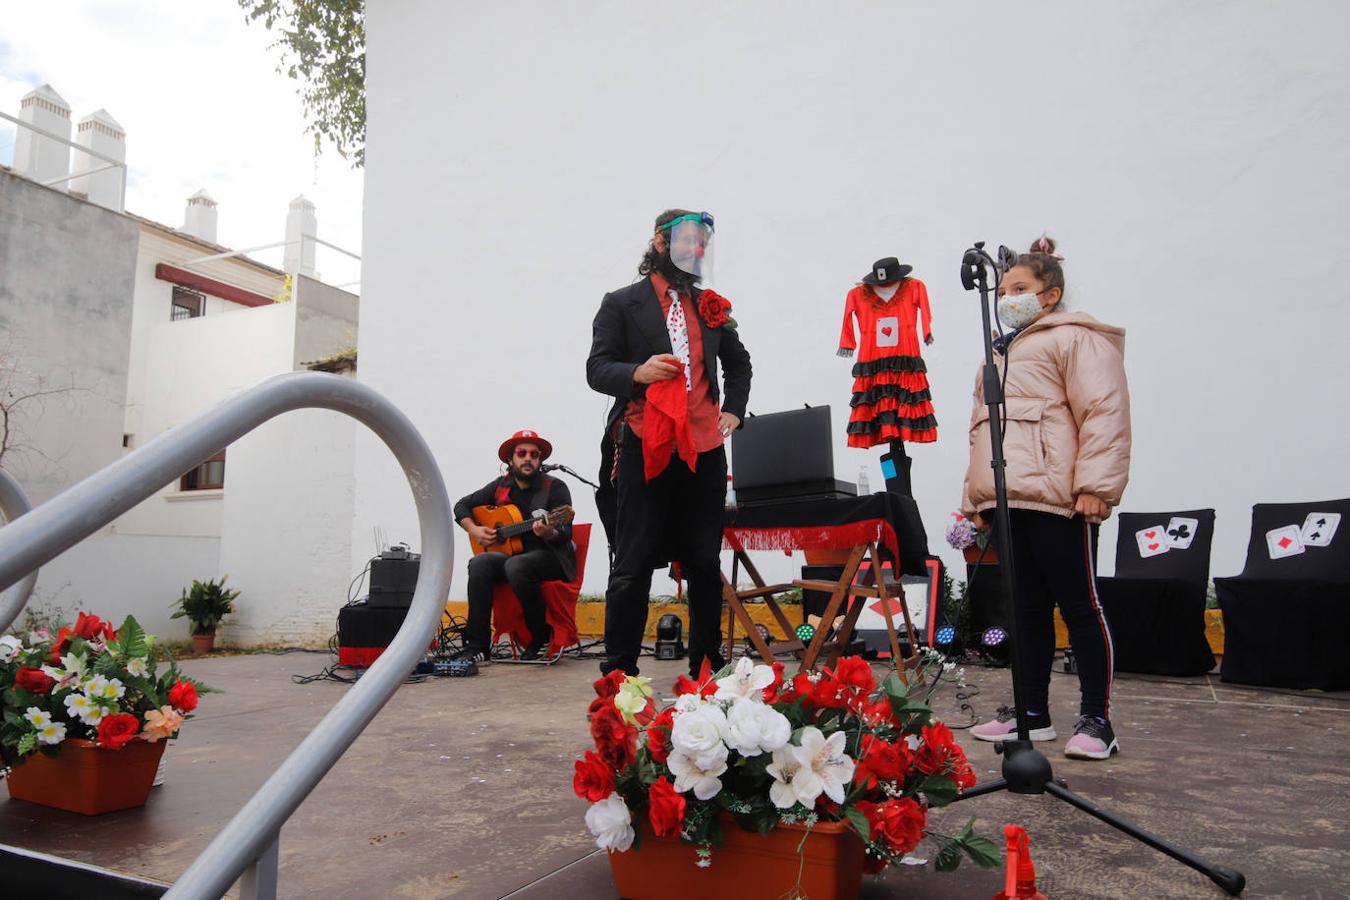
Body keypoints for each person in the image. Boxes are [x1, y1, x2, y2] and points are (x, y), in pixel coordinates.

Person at [961, 236, 1131, 760]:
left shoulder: (1076, 339)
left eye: (1020, 288)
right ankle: (1031, 713)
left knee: (1080, 605)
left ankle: (1097, 720)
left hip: (1060, 498)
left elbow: (1103, 410)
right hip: (1010, 500)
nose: (1007, 296)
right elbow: (983, 430)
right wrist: (976, 499)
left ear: (1049, 294)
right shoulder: (999, 352)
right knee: (1027, 610)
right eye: (1004, 289)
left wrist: (1095, 486)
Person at [587, 209, 752, 678]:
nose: (695, 250)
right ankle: (619, 671)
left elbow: (739, 365)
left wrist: (734, 410)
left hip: (703, 446)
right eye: (686, 241)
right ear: (660, 244)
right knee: (633, 561)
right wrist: (636, 373)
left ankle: (706, 667)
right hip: (645, 442)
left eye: (702, 243)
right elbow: (597, 369)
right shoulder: (621, 303)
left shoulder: (712, 306)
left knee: (703, 560)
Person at [453, 430, 576, 662]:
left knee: (517, 565)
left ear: (540, 459)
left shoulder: (554, 487)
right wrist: (475, 530)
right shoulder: (501, 486)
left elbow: (565, 532)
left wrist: (549, 531)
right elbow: (462, 506)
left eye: (534, 454)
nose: (528, 458)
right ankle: (477, 645)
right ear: (511, 459)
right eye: (521, 453)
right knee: (479, 563)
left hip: (551, 557)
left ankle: (539, 637)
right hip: (513, 556)